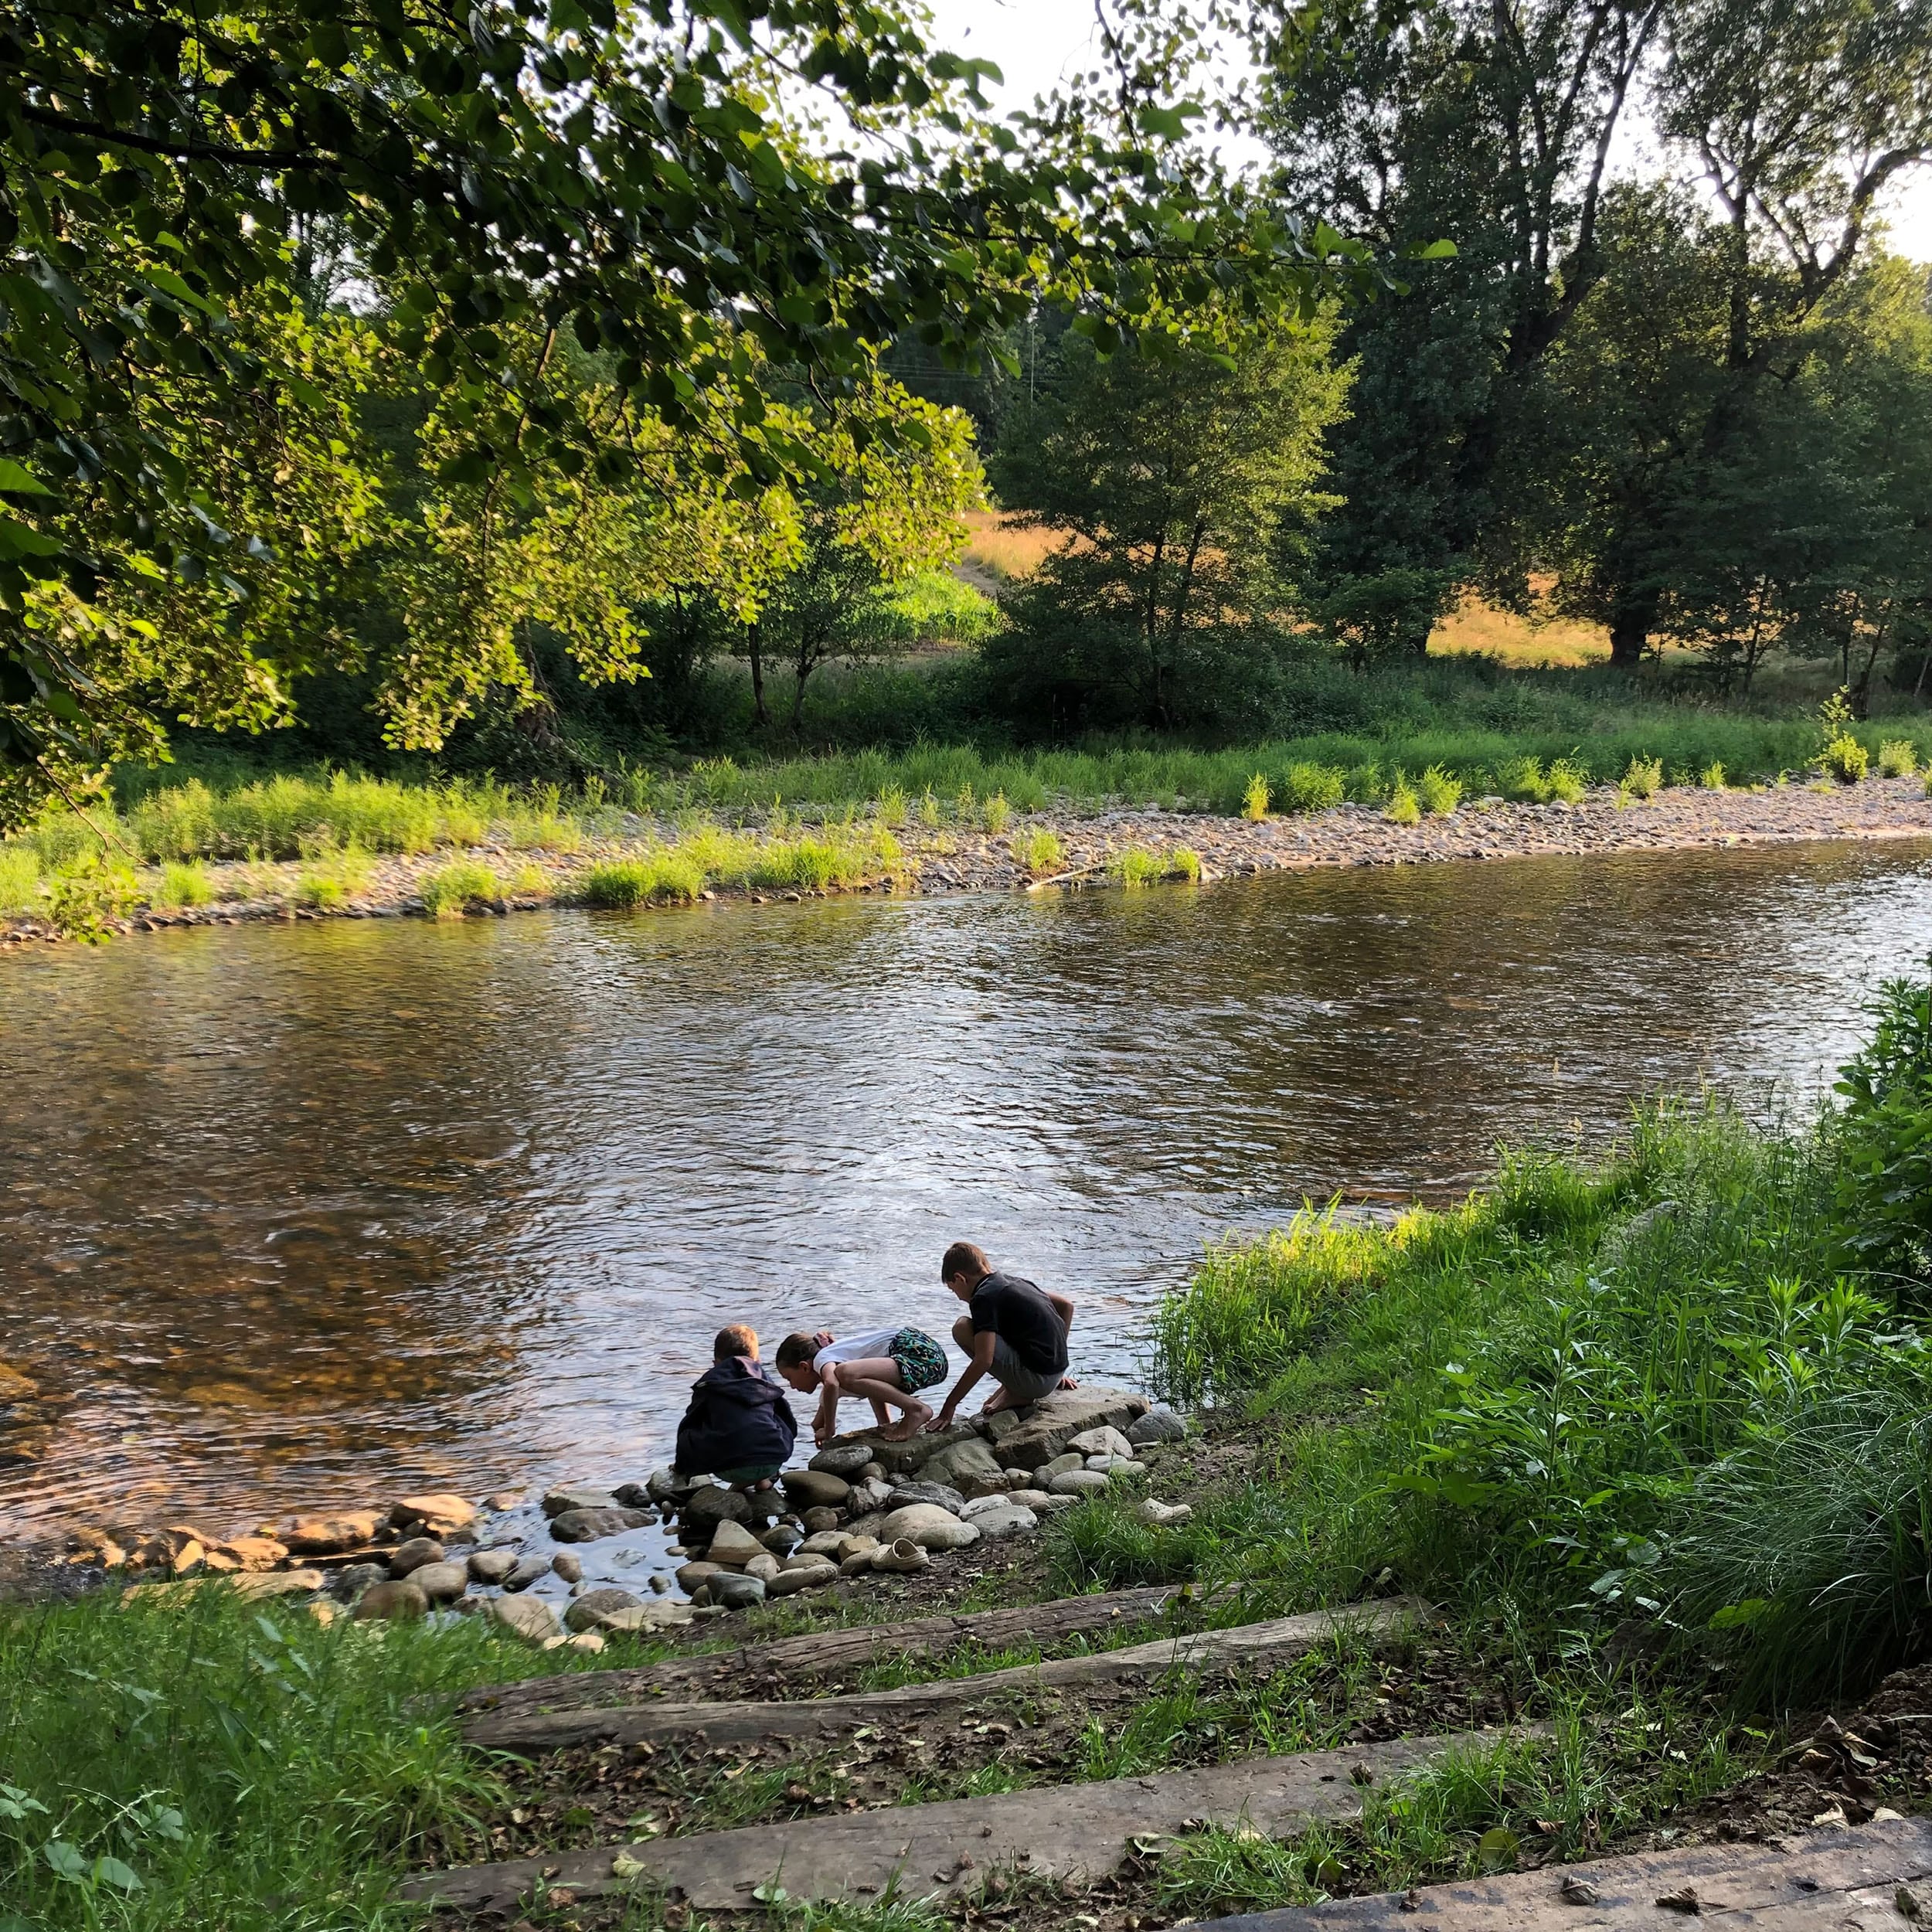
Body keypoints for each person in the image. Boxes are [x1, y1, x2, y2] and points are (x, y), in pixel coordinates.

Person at [923, 1242, 1077, 1432]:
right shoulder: (1014, 1282)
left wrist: (949, 1406)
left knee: (962, 1327)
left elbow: (984, 1360)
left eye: (953, 1290)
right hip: (1056, 1371)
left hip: (1038, 1383)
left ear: (960, 1278)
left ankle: (1018, 1392)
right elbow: (1066, 1306)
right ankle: (1017, 1386)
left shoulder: (983, 1297)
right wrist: (1055, 1361)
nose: (959, 1297)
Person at [774, 1324, 950, 1445]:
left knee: (845, 1373)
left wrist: (829, 1430)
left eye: (789, 1378)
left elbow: (831, 1385)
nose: (792, 1387)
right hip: (932, 1360)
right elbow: (873, 1389)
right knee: (853, 1376)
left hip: (919, 1354)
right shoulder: (839, 1361)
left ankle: (917, 1410)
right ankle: (885, 1423)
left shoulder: (822, 1359)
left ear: (804, 1367)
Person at [673, 1323, 798, 1491]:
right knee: (776, 1419)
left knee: (691, 1428)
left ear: (716, 1363)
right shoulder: (764, 1380)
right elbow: (789, 1421)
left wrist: (681, 1466)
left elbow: (689, 1423)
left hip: (728, 1467)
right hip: (772, 1459)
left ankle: (740, 1483)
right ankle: (765, 1479)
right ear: (757, 1361)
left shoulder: (708, 1383)